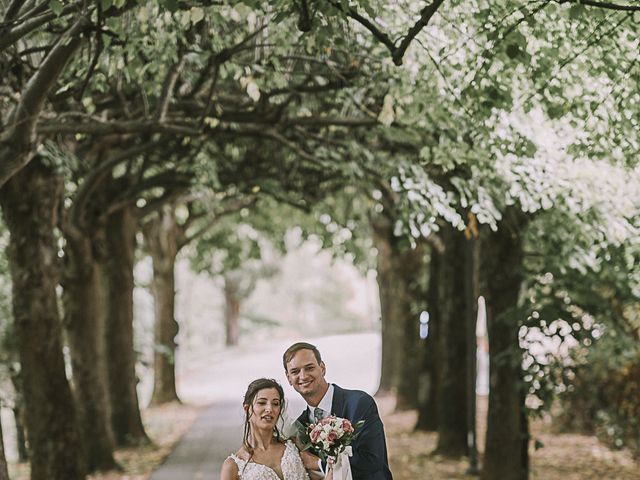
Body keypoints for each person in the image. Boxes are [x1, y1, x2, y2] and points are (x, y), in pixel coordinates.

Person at [283, 342, 393, 480]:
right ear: (289, 378)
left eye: (309, 368)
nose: (303, 376)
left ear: (322, 368)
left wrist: (318, 463)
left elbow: (372, 459)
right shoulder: (300, 426)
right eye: (295, 371)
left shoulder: (359, 403)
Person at [221, 378, 332, 480]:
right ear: (247, 408)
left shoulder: (294, 446)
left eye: (275, 403)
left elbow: (325, 475)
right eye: (262, 403)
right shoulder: (232, 467)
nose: (269, 408)